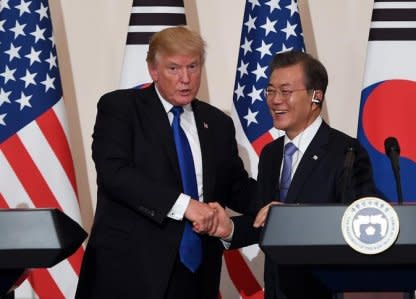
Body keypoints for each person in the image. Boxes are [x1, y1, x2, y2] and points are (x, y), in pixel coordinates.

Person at [75, 26, 255, 299]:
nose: (185, 78)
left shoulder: (217, 123)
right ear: (153, 70)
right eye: (174, 68)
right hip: (131, 271)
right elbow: (114, 173)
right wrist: (185, 206)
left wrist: (276, 202)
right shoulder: (121, 108)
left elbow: (235, 185)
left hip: (196, 273)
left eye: (193, 66)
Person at [211, 51, 378, 299]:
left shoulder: (346, 152)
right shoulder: (271, 153)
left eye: (286, 91)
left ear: (316, 96)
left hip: (324, 291)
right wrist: (230, 229)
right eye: (270, 91)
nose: (275, 100)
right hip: (278, 290)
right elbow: (265, 220)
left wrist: (293, 216)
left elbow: (359, 223)